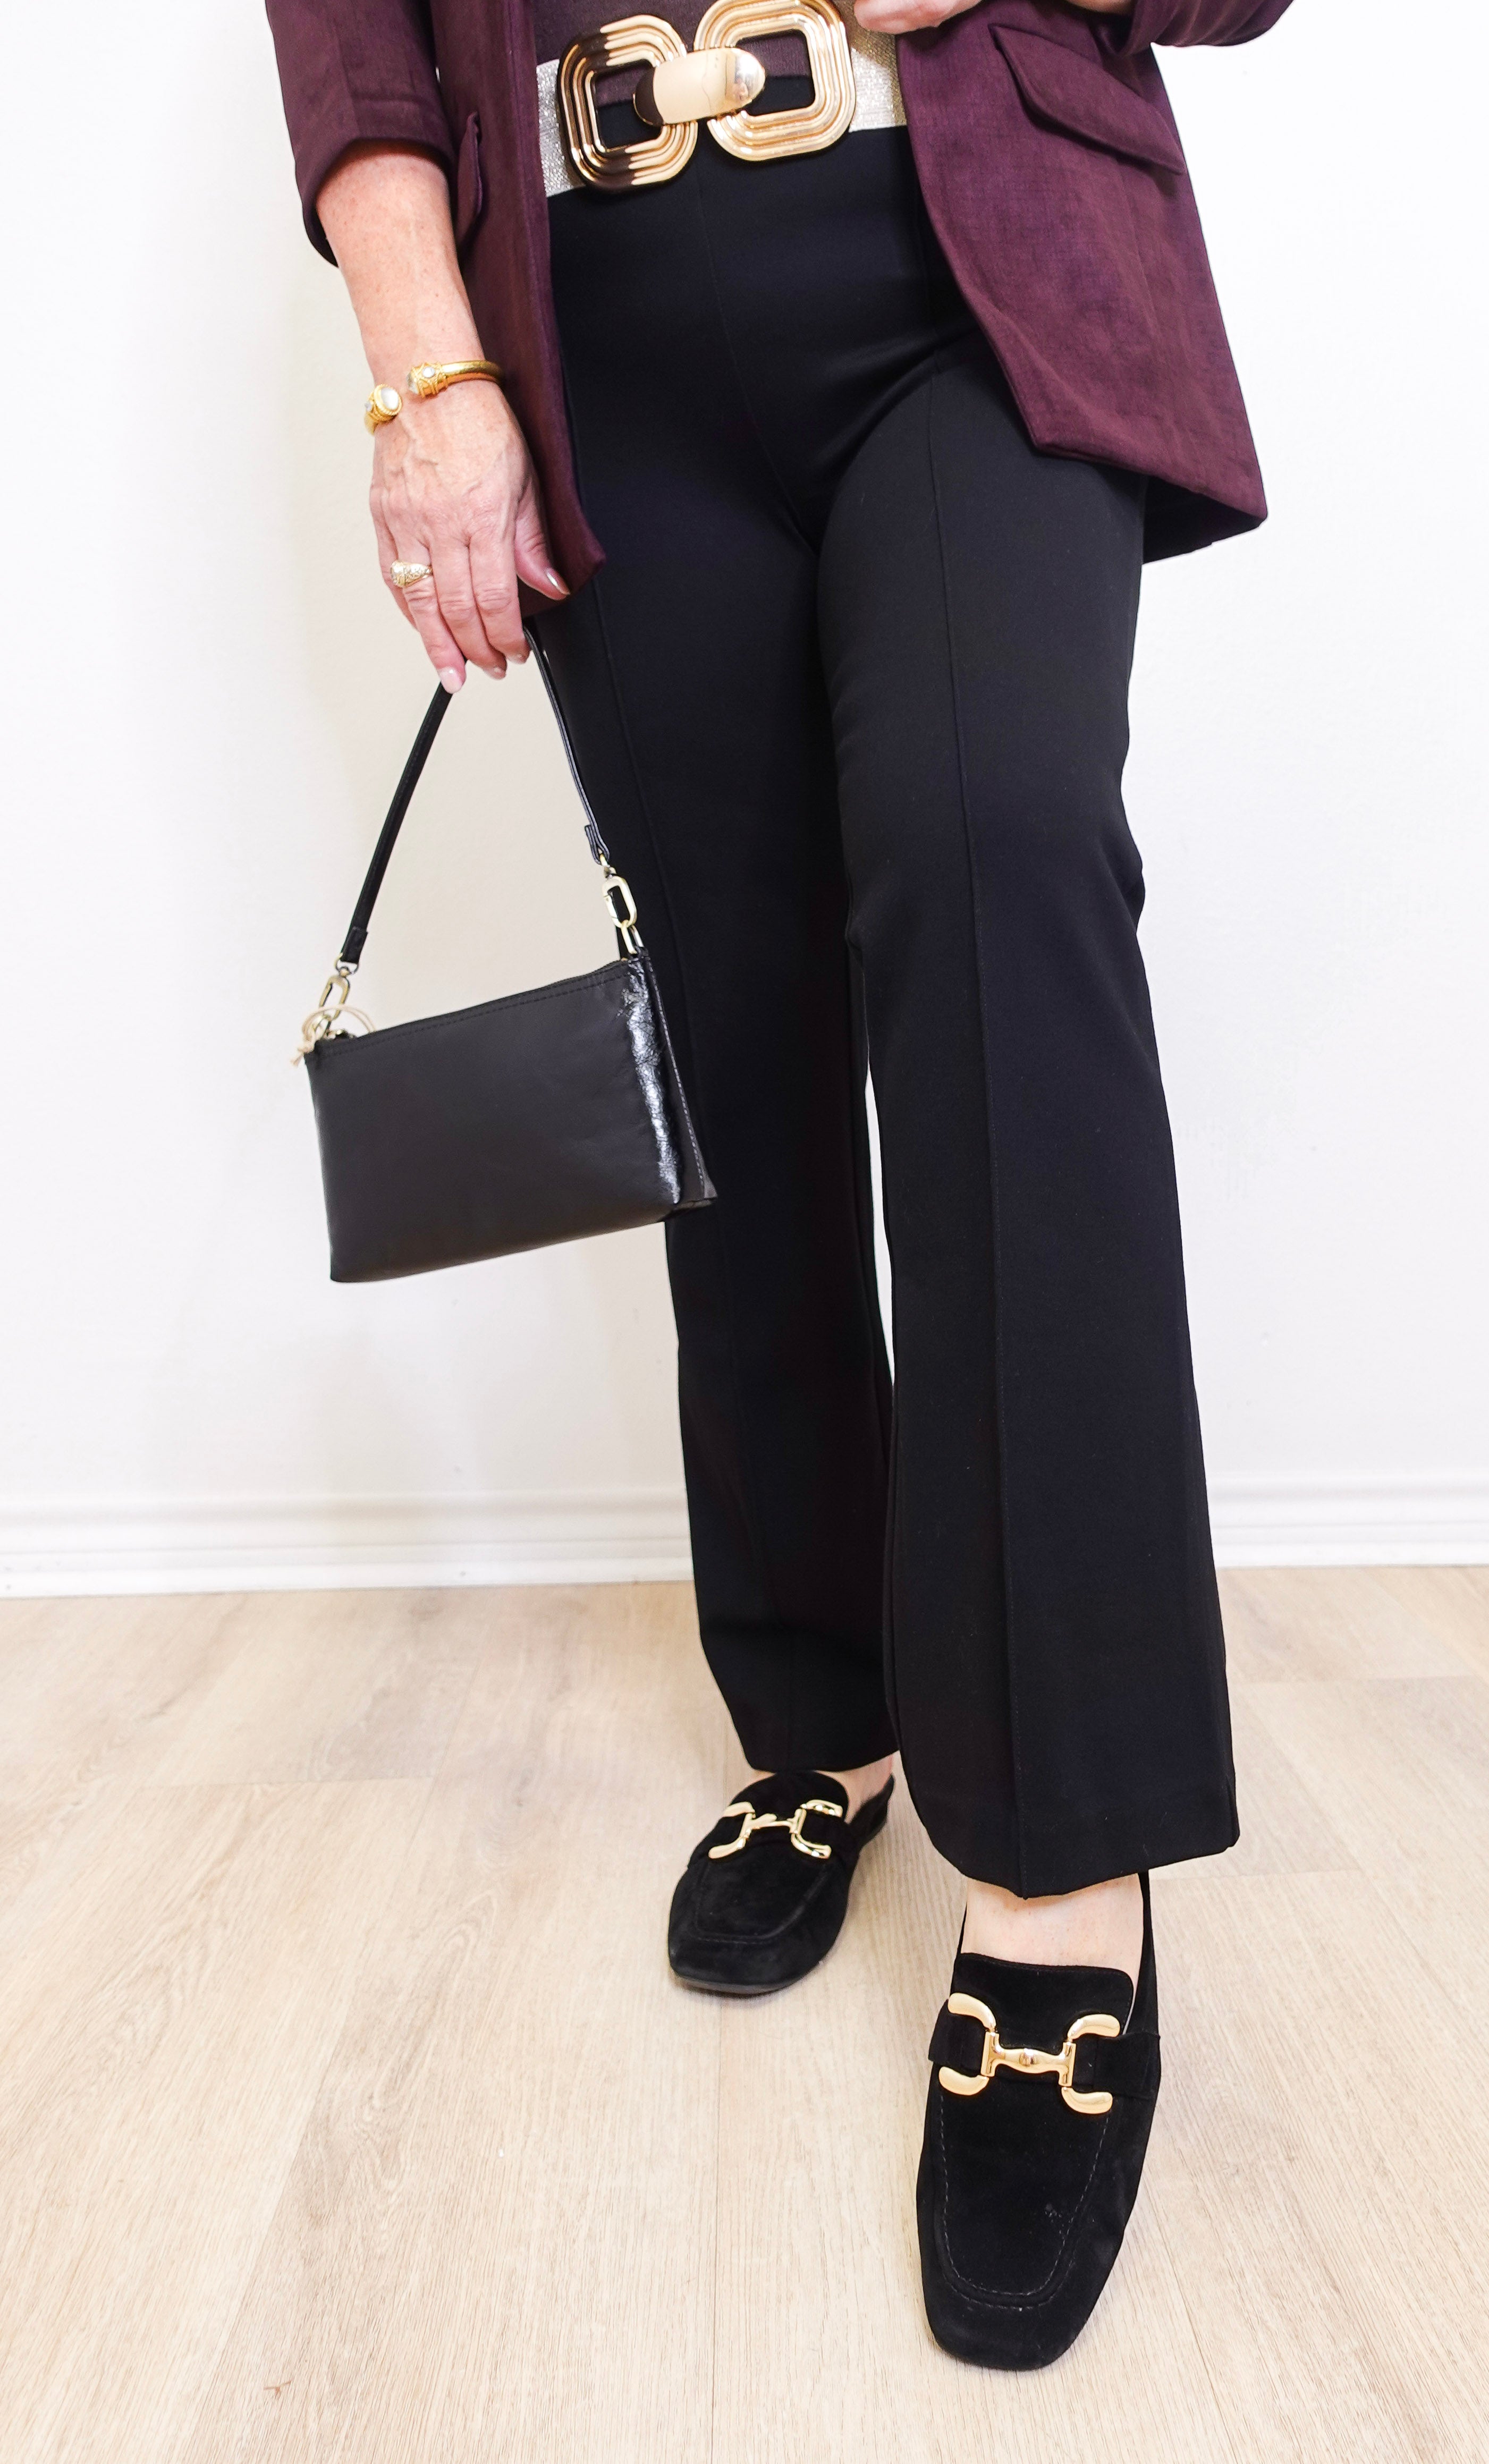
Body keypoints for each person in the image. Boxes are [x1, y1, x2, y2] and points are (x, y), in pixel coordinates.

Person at [267, 0, 1293, 2368]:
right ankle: (818, 1705)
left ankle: (1053, 1851)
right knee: (725, 1013)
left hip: (967, 260)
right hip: (592, 304)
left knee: (996, 864)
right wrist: (426, 370)